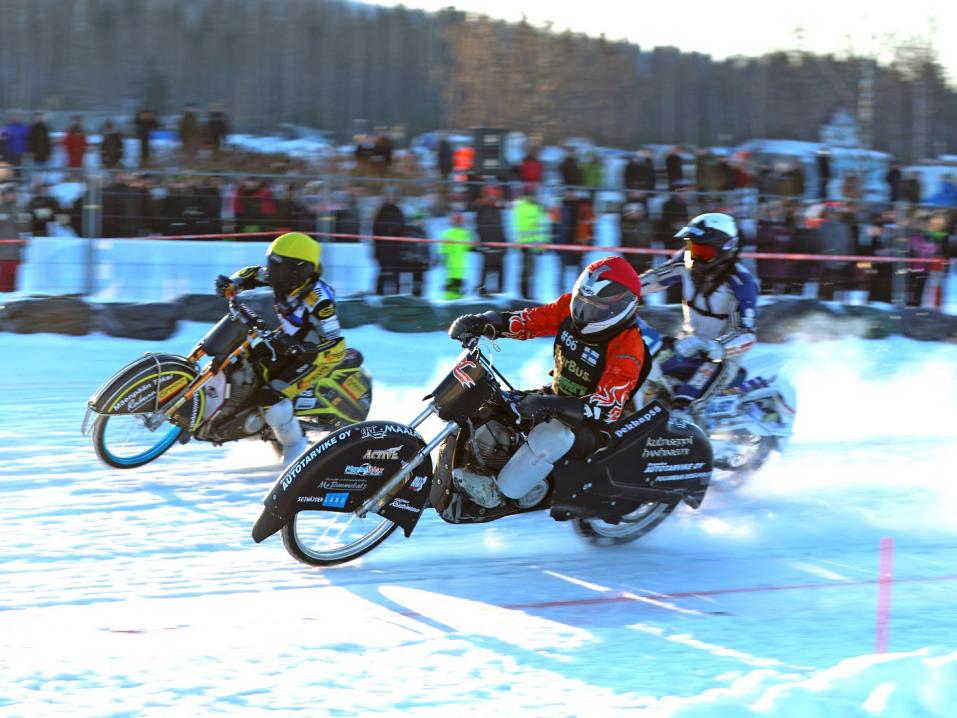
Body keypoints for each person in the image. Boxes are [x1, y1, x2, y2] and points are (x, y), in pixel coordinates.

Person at [446, 256, 647, 509]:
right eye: (581, 302)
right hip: (554, 399)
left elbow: (605, 409)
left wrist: (549, 404)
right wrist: (486, 322)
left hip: (592, 428)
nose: (584, 313)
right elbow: (531, 321)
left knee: (552, 437)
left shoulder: (628, 346)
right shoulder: (568, 309)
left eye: (594, 307)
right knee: (487, 404)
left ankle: (500, 492)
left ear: (621, 308)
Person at [214, 232, 346, 465]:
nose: (271, 271)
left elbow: (336, 346)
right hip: (281, 342)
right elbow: (250, 274)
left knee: (271, 397)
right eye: (271, 262)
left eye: (279, 266)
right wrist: (231, 284)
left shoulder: (320, 300)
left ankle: (294, 446)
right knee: (243, 365)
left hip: (313, 356)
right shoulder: (278, 276)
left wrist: (302, 349)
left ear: (299, 269)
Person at [638, 212, 758, 417]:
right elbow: (653, 279)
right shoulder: (685, 263)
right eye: (692, 246)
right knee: (644, 369)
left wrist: (715, 346)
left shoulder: (740, 283)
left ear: (724, 249)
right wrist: (615, 289)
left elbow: (746, 334)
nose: (693, 254)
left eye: (702, 250)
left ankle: (686, 427)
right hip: (686, 344)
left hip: (721, 358)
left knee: (682, 406)